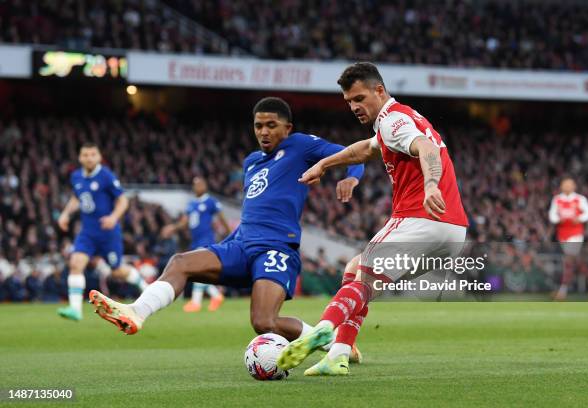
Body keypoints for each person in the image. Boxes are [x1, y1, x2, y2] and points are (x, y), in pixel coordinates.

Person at [89, 97, 365, 354]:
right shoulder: (252, 162)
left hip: (275, 249)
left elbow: (354, 153)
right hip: (241, 245)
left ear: (287, 127)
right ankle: (136, 311)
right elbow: (251, 213)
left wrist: (351, 178)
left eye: (271, 125)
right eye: (258, 126)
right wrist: (231, 240)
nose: (264, 132)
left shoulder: (300, 145)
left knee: (264, 323)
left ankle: (332, 344)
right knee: (180, 262)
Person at [278, 62, 468, 375]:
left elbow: (426, 149)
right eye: (349, 102)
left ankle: (324, 329)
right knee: (358, 276)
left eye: (360, 98)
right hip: (452, 233)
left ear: (379, 90)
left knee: (358, 275)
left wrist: (431, 184)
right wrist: (324, 165)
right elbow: (365, 150)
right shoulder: (401, 119)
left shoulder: (393, 120)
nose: (354, 106)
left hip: (419, 220)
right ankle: (338, 355)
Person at [57, 143, 147, 321]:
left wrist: (113, 217)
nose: (89, 158)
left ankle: (146, 287)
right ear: (80, 157)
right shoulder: (76, 176)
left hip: (108, 233)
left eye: (92, 154)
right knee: (76, 263)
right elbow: (77, 197)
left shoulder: (106, 175)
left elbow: (122, 201)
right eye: (85, 155)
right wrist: (65, 214)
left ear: (98, 157)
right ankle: (75, 310)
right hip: (88, 232)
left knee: (117, 271)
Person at [161, 176, 230, 312]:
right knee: (198, 271)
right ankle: (216, 296)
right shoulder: (191, 204)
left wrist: (230, 233)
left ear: (205, 185)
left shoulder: (210, 201)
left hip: (206, 240)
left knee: (197, 268)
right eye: (194, 184)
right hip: (195, 240)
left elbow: (221, 217)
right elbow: (184, 222)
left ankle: (196, 302)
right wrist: (173, 228)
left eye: (199, 184)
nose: (196, 187)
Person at [548, 176, 588, 301]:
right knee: (574, 261)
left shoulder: (579, 199)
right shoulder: (557, 199)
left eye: (569, 184)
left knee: (569, 260)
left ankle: (562, 291)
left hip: (575, 233)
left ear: (574, 186)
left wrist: (580, 218)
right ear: (561, 186)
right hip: (562, 234)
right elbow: (552, 215)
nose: (567, 187)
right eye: (565, 184)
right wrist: (557, 219)